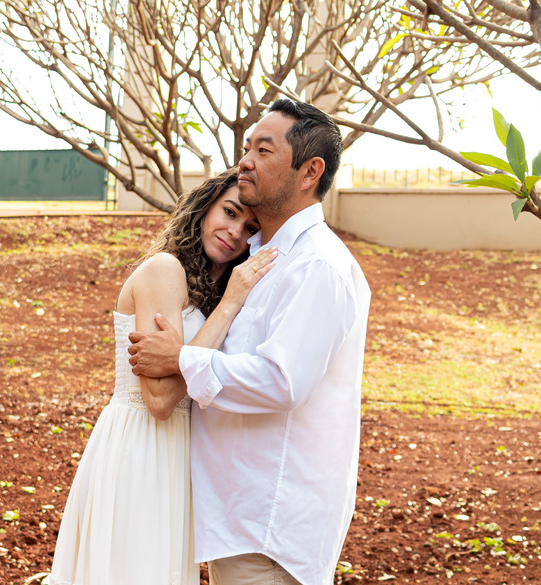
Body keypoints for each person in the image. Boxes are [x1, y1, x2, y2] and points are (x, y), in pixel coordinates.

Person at [129, 98, 371, 585]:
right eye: (246, 149)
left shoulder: (317, 266)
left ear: (309, 172)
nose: (245, 161)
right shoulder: (263, 258)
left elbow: (281, 381)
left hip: (270, 530)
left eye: (263, 150)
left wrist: (181, 359)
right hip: (238, 522)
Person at [49, 169, 279, 585]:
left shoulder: (210, 293)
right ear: (204, 207)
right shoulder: (164, 270)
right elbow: (158, 400)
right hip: (140, 448)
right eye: (229, 212)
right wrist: (229, 305)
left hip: (180, 456)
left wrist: (185, 351)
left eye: (250, 228)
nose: (235, 232)